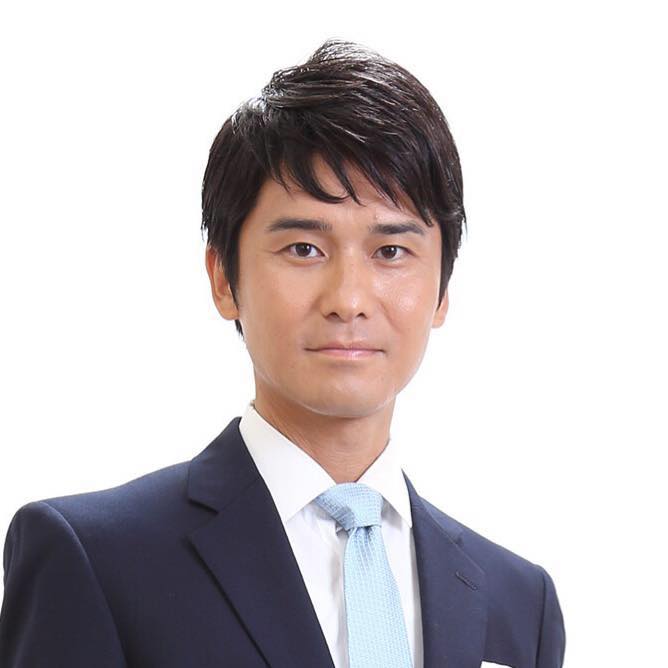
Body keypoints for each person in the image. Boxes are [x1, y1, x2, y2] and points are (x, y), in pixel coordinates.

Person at [0, 39, 566, 667]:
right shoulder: (97, 561)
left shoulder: (518, 603)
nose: (348, 300)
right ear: (224, 278)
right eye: (304, 249)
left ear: (442, 290)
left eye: (391, 251)